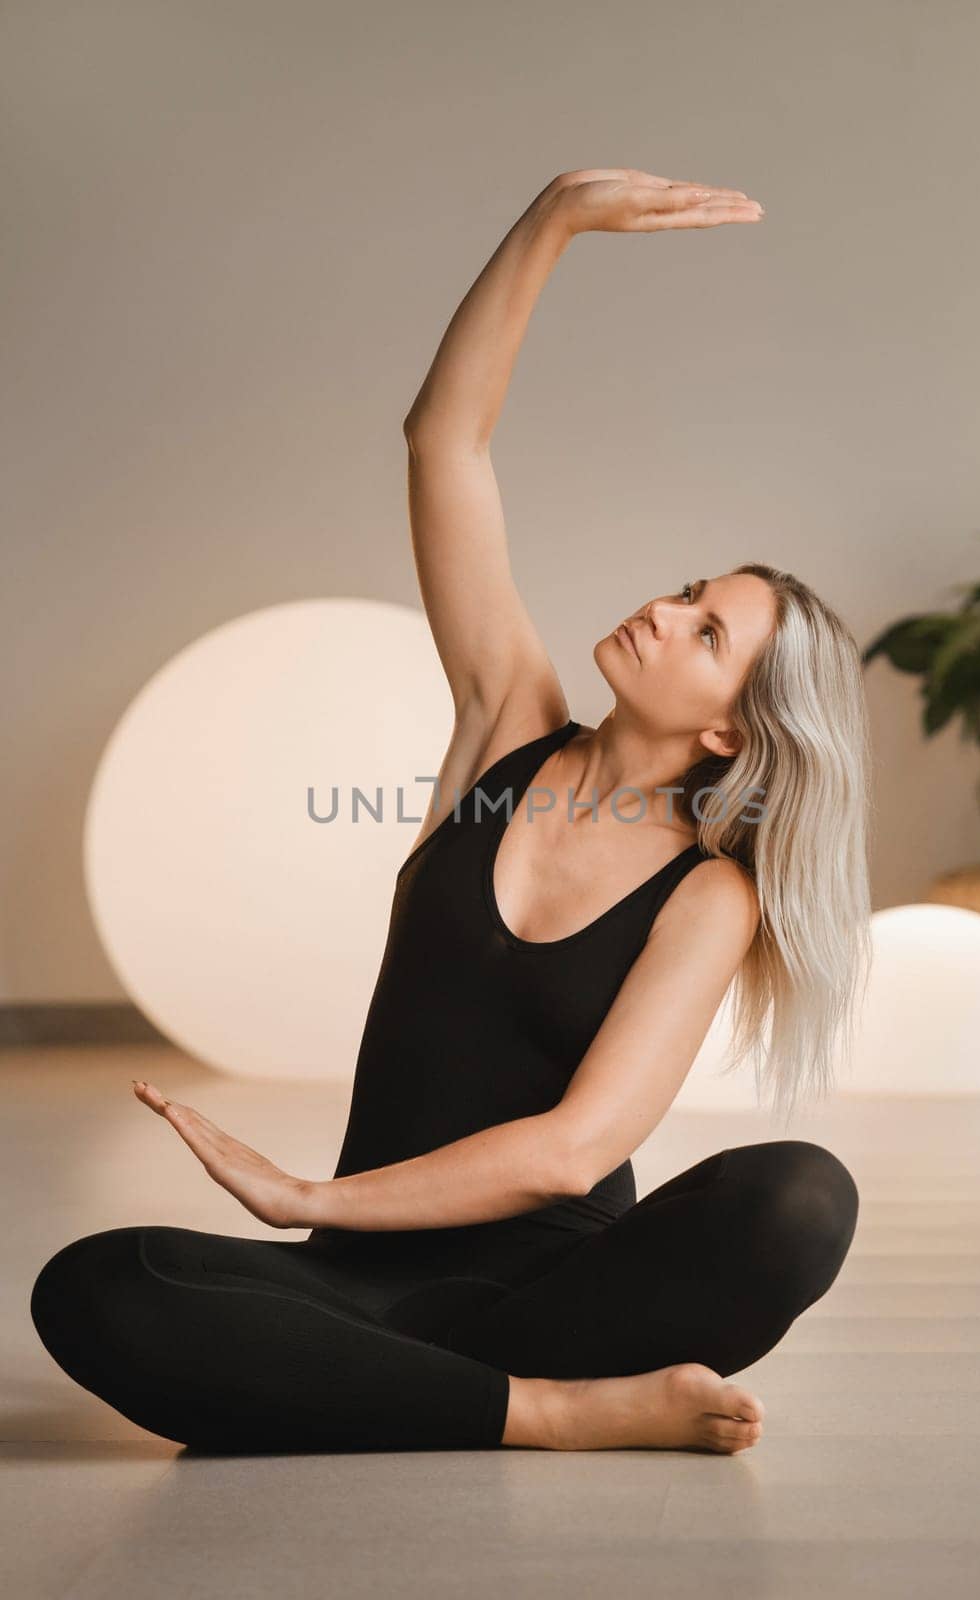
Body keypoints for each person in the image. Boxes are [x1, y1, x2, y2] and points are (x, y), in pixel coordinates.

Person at [30, 168, 870, 1457]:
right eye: (689, 584)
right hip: (358, 1285)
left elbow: (567, 1153)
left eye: (706, 629)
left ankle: (376, 1388)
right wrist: (552, 222)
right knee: (94, 1285)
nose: (662, 604)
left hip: (565, 1293)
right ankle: (541, 1416)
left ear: (728, 729)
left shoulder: (711, 894)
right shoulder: (505, 733)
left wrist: (309, 1190)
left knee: (800, 1196)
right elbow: (445, 442)